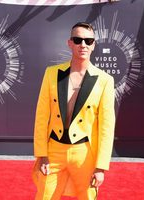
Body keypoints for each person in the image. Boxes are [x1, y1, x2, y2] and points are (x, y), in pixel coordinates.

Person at [32, 22, 115, 200]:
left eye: (88, 40)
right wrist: (42, 154)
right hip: (54, 149)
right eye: (78, 40)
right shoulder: (52, 73)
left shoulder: (105, 80)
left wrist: (101, 166)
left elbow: (107, 128)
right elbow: (41, 117)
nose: (83, 45)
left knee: (88, 196)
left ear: (93, 44)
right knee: (44, 196)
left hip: (85, 152)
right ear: (70, 43)